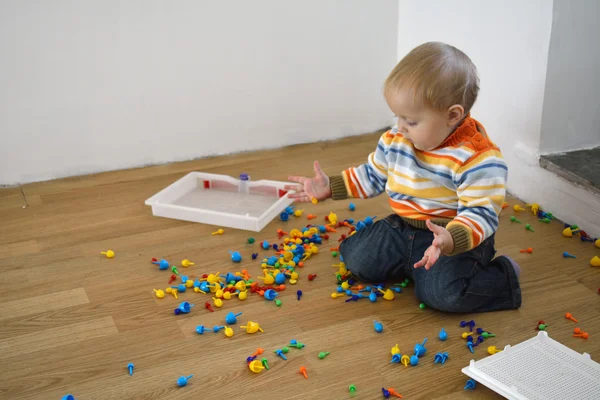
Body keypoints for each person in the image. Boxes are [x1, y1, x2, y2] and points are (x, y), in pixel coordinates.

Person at [285, 42, 521, 313]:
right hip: (404, 227)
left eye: (411, 121)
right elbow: (374, 175)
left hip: (450, 237)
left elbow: (481, 213)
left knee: (444, 296)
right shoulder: (397, 140)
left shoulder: (476, 158)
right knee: (355, 257)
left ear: (452, 115)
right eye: (398, 117)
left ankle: (503, 276)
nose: (400, 128)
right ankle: (414, 267)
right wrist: (332, 186)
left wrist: (451, 239)